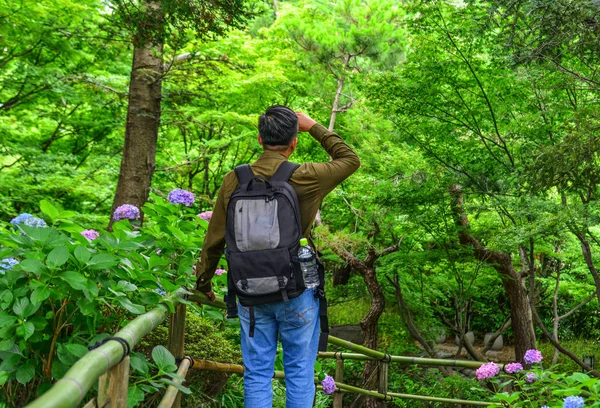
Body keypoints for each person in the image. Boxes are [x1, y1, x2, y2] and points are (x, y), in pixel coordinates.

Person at [194, 105, 360, 407]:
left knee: (257, 373)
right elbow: (350, 159)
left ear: (260, 139)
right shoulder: (306, 176)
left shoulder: (234, 179)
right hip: (296, 289)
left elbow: (214, 239)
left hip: (249, 291)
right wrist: (314, 127)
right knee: (299, 371)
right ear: (294, 141)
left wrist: (203, 282)